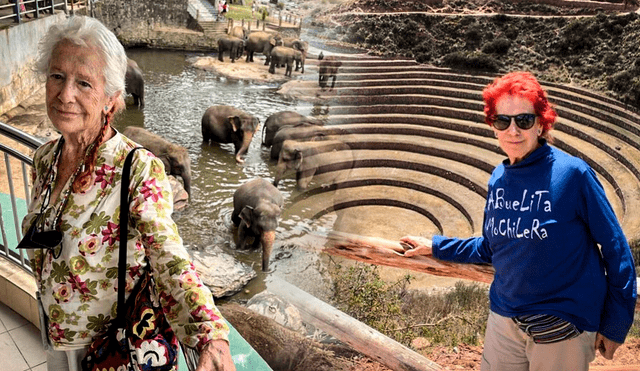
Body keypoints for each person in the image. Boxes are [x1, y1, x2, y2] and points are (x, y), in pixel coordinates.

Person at [19, 16, 235, 371]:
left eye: (84, 83)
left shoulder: (137, 167)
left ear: (111, 99)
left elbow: (169, 254)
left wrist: (210, 334)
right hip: (54, 333)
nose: (65, 94)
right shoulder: (44, 158)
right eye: (57, 76)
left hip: (111, 347)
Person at [401, 71, 637, 371]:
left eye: (524, 120)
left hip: (561, 326)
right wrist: (436, 245)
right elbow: (492, 247)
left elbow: (616, 248)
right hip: (505, 318)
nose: (513, 130)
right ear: (493, 126)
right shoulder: (499, 178)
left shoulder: (572, 175)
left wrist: (616, 323)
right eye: (503, 121)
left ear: (541, 123)